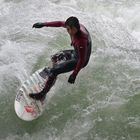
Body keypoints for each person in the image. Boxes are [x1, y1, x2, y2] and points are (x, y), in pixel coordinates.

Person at [29, 16, 92, 100]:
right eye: (67, 28)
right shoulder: (75, 26)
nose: (68, 31)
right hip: (76, 53)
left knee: (53, 71)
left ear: (75, 28)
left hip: (80, 60)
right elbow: (59, 23)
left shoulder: (81, 40)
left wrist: (74, 75)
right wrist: (44, 24)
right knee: (55, 57)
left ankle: (42, 95)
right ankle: (53, 76)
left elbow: (82, 60)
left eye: (69, 29)